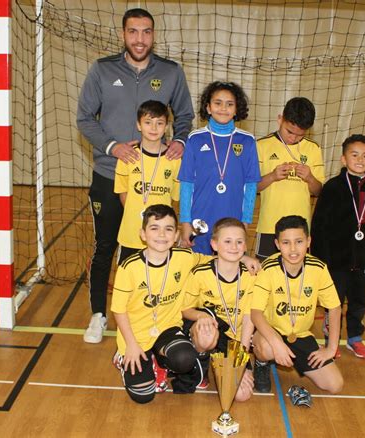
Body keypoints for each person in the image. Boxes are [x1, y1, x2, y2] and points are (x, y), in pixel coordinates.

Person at [77, 7, 194, 343]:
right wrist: (112, 146)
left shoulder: (171, 72)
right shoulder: (102, 70)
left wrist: (181, 141)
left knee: (157, 249)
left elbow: (184, 116)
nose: (139, 39)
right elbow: (85, 118)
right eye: (133, 32)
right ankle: (99, 314)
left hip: (155, 181)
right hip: (109, 173)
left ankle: (153, 319)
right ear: (123, 34)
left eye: (146, 32)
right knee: (106, 247)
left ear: (153, 35)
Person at [111, 204, 203, 403]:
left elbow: (215, 262)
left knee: (185, 358)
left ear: (176, 234)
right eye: (154, 228)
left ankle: (160, 362)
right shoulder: (128, 267)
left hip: (167, 327)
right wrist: (131, 346)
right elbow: (118, 311)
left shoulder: (185, 257)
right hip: (135, 334)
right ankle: (123, 356)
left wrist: (245, 259)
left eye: (168, 228)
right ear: (143, 234)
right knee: (143, 397)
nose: (162, 234)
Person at [310, 134, 365, 359]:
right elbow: (319, 225)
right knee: (333, 302)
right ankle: (330, 342)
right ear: (344, 159)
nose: (360, 160)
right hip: (335, 260)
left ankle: (355, 338)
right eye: (354, 155)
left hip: (362, 259)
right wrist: (319, 259)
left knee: (358, 301)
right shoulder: (333, 188)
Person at [251, 215, 343, 395]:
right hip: (270, 333)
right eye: (286, 243)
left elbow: (335, 308)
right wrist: (276, 342)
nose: (293, 249)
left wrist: (331, 348)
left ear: (308, 241)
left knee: (335, 384)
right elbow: (255, 313)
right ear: (277, 244)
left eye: (299, 241)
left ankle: (288, 353)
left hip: (299, 334)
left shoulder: (318, 268)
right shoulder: (268, 269)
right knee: (268, 348)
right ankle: (262, 363)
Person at [178, 81, 261, 254]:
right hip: (200, 220)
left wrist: (245, 222)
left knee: (229, 272)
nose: (223, 108)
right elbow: (186, 184)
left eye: (230, 104)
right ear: (208, 107)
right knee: (198, 272)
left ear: (237, 109)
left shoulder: (247, 141)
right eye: (217, 103)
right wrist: (185, 222)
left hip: (233, 220)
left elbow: (251, 185)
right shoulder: (195, 139)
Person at [181, 218, 255, 401]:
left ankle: (226, 365)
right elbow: (185, 309)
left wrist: (242, 360)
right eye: (227, 241)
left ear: (245, 246)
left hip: (234, 341)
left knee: (241, 395)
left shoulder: (251, 277)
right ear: (214, 245)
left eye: (239, 242)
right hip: (208, 333)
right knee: (206, 334)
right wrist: (202, 315)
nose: (234, 246)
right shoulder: (200, 274)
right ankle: (201, 366)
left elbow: (248, 319)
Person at [255, 97, 325, 260]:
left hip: (300, 228)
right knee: (264, 274)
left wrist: (310, 178)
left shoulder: (313, 149)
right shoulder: (261, 145)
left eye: (300, 135)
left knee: (296, 278)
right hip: (269, 227)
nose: (293, 138)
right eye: (289, 132)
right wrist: (272, 176)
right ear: (280, 119)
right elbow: (252, 187)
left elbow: (320, 191)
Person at [114, 100, 180, 263]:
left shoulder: (174, 160)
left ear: (166, 127)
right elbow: (124, 195)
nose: (154, 128)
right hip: (131, 233)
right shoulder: (127, 157)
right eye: (148, 122)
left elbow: (175, 200)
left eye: (159, 123)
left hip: (161, 238)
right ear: (138, 125)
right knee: (128, 283)